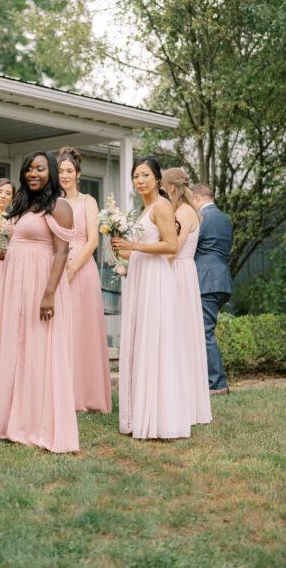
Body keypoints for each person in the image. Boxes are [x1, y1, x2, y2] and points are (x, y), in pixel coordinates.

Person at [0, 151, 79, 453]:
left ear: (51, 171)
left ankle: (40, 422)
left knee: (40, 349)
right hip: (17, 283)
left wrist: (49, 292)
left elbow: (62, 251)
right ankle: (13, 419)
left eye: (40, 168)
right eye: (29, 169)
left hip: (42, 282)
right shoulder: (23, 204)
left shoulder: (59, 206)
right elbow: (19, 242)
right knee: (17, 345)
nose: (33, 173)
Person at [111, 156, 191, 440]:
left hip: (157, 280)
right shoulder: (143, 210)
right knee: (142, 340)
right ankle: (140, 413)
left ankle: (162, 418)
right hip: (141, 278)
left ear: (158, 179)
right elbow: (145, 248)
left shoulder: (162, 206)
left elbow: (171, 246)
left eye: (145, 175)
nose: (139, 180)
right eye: (135, 176)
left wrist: (134, 245)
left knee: (156, 341)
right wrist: (125, 252)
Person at [57, 146, 112, 413]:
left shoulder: (88, 201)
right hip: (57, 265)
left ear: (78, 174)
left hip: (82, 267)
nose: (64, 175)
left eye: (69, 171)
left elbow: (93, 241)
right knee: (62, 328)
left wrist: (72, 268)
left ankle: (87, 394)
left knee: (84, 328)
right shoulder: (53, 202)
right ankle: (63, 392)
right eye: (61, 171)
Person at [162, 168, 212, 425]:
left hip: (178, 272)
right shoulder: (188, 211)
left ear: (170, 188)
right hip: (185, 270)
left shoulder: (182, 213)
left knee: (178, 334)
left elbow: (174, 249)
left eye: (162, 185)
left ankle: (182, 400)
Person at [191, 184, 233, 395]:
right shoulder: (225, 219)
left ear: (197, 197)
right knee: (204, 330)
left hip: (206, 280)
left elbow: (190, 245)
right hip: (221, 279)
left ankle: (216, 384)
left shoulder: (203, 219)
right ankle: (207, 380)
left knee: (204, 331)